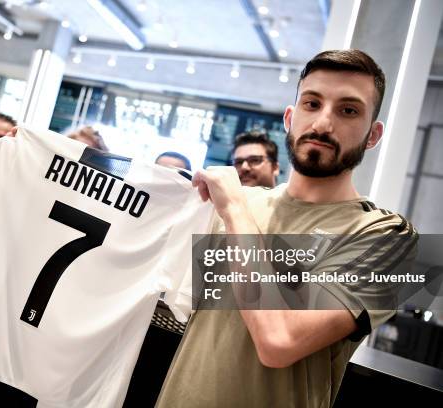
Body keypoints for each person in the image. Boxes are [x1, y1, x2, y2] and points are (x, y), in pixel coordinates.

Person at [156, 49, 418, 408]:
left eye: (348, 110)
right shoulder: (232, 205)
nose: (323, 124)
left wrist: (234, 208)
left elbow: (279, 342)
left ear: (373, 135)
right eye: (312, 104)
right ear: (289, 118)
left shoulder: (387, 237)